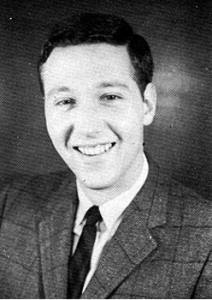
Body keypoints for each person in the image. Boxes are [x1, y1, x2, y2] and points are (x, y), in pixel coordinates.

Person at [0, 12, 212, 299]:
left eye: (110, 97)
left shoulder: (206, 239)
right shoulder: (10, 204)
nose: (88, 127)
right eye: (66, 101)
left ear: (147, 105)